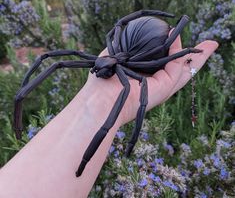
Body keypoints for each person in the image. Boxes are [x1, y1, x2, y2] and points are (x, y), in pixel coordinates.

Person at [0, 34, 218, 198]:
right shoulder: (107, 59)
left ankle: (88, 161)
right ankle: (22, 97)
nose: (97, 71)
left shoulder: (128, 71)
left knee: (133, 99)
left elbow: (141, 101)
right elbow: (51, 58)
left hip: (138, 45)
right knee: (55, 60)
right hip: (131, 44)